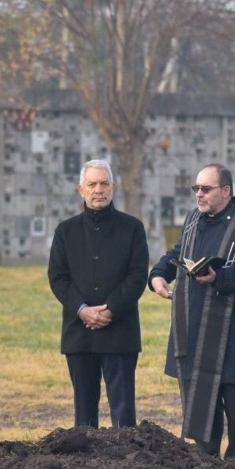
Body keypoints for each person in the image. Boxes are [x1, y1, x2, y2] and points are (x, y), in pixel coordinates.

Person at [149, 163, 235, 460]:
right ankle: (205, 466)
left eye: (206, 189)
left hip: (233, 339)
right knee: (201, 425)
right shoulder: (194, 219)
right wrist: (157, 274)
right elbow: (178, 253)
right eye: (196, 189)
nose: (199, 195)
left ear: (226, 191)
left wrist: (221, 277)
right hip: (194, 334)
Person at [48, 159, 148, 428]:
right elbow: (58, 278)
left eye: (104, 183)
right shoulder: (65, 231)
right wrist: (82, 309)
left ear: (113, 187)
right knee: (84, 416)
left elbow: (137, 277)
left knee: (124, 415)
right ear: (81, 189)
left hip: (120, 330)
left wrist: (110, 309)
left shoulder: (133, 229)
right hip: (79, 332)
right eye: (92, 184)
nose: (98, 189)